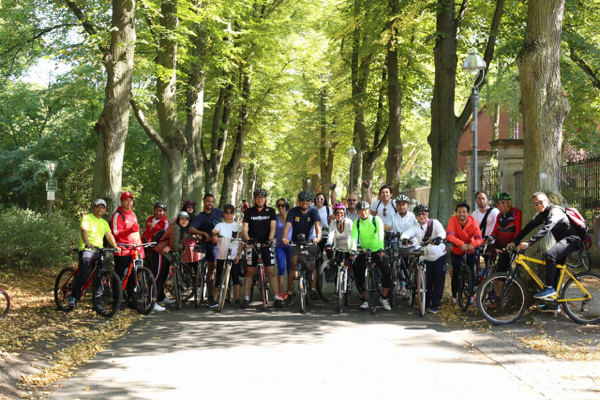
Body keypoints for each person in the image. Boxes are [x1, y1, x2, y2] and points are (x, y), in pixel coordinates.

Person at [508, 192, 583, 312]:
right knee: (556, 268)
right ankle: (553, 303)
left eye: (540, 202)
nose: (538, 205)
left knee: (550, 254)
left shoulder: (555, 212)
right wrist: (515, 241)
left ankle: (549, 288)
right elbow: (528, 227)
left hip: (572, 240)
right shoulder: (541, 214)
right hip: (563, 241)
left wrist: (529, 243)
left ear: (547, 201)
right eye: (535, 204)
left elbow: (546, 228)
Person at [69, 199, 121, 308]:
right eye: (98, 206)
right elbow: (84, 230)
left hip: (99, 251)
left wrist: (115, 246)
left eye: (103, 207)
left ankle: (97, 302)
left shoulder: (104, 222)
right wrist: (87, 242)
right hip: (87, 250)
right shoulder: (87, 218)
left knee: (100, 276)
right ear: (94, 207)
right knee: (84, 275)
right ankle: (73, 297)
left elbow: (109, 235)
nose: (100, 209)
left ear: (105, 209)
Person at [241, 188, 283, 309]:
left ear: (265, 198)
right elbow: (244, 228)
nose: (260, 199)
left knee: (271, 271)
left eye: (263, 197)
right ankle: (246, 298)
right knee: (249, 271)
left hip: (266, 244)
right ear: (254, 198)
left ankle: (276, 298)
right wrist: (248, 239)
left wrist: (270, 240)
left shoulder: (270, 211)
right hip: (252, 244)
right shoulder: (249, 212)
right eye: (258, 197)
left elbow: (273, 227)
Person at [400, 204, 446, 313]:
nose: (421, 216)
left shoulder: (434, 223)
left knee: (438, 279)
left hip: (439, 255)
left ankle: (435, 303)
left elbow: (442, 232)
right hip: (426, 256)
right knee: (427, 281)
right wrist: (404, 239)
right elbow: (406, 233)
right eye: (418, 215)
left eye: (423, 214)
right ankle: (426, 302)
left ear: (427, 214)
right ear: (416, 216)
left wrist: (439, 238)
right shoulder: (416, 227)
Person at [281, 191, 322, 303]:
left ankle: (313, 289)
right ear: (299, 200)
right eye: (302, 200)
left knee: (311, 266)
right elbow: (287, 225)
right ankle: (290, 292)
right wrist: (285, 238)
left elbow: (317, 225)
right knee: (293, 265)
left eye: (307, 200)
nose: (305, 202)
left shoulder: (313, 211)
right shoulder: (293, 211)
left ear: (310, 202)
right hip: (296, 242)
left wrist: (318, 236)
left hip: (309, 241)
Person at [351, 201, 392, 311]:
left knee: (387, 273)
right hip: (364, 250)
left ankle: (384, 298)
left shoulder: (375, 219)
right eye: (360, 211)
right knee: (359, 274)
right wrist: (353, 250)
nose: (363, 213)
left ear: (369, 210)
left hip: (377, 249)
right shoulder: (357, 222)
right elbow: (354, 237)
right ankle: (365, 299)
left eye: (365, 210)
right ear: (358, 212)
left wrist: (381, 248)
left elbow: (380, 234)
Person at [484, 192, 522, 305]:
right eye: (498, 204)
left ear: (509, 202)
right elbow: (495, 231)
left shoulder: (516, 213)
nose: (501, 205)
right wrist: (489, 238)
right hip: (498, 246)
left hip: (508, 248)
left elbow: (518, 231)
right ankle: (497, 297)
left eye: (503, 202)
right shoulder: (499, 215)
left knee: (501, 271)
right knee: (493, 272)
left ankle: (500, 298)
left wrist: (513, 243)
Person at [111, 191, 144, 308]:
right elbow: (115, 233)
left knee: (133, 276)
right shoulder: (118, 215)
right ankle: (117, 300)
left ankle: (131, 300)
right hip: (122, 250)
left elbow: (137, 233)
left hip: (133, 250)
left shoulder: (133, 215)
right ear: (122, 201)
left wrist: (140, 248)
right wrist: (130, 230)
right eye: (126, 200)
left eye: (131, 200)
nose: (129, 202)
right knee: (121, 275)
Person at [446, 203, 483, 306]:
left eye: (464, 212)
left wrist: (473, 244)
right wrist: (460, 244)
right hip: (457, 250)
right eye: (459, 212)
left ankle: (471, 295)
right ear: (456, 213)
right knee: (456, 273)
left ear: (468, 213)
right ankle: (454, 296)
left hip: (470, 250)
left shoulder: (473, 222)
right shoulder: (452, 220)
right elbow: (450, 236)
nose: (461, 214)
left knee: (472, 272)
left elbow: (479, 238)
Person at [188, 194, 223, 306]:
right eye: (208, 201)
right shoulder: (200, 217)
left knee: (222, 269)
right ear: (204, 202)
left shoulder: (218, 212)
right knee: (211, 269)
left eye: (212, 202)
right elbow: (191, 228)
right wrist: (202, 233)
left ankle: (222, 289)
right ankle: (211, 295)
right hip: (210, 246)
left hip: (222, 243)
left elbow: (229, 215)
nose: (210, 204)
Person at [154, 211, 191, 311]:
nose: (184, 221)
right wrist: (182, 246)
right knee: (158, 277)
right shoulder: (176, 228)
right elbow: (175, 245)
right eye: (182, 219)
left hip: (167, 255)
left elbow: (173, 245)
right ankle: (152, 302)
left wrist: (172, 247)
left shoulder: (181, 229)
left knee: (163, 277)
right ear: (178, 219)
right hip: (161, 253)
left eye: (186, 220)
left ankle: (160, 298)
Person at [211, 204, 244, 308]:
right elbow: (214, 240)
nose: (229, 214)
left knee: (235, 276)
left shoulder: (238, 227)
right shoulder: (220, 225)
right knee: (219, 277)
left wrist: (238, 255)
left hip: (233, 255)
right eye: (226, 212)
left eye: (231, 212)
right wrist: (214, 234)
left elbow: (240, 242)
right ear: (223, 214)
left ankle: (237, 299)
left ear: (233, 214)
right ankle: (215, 300)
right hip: (221, 255)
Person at [388, 195, 418, 296]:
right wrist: (387, 229)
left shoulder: (413, 216)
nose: (402, 207)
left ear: (408, 206)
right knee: (398, 264)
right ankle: (402, 285)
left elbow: (418, 226)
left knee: (414, 264)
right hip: (398, 245)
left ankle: (416, 283)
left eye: (404, 205)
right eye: (399, 205)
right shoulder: (392, 217)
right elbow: (387, 225)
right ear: (396, 206)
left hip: (412, 244)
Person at [142, 201, 170, 270]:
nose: (158, 212)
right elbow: (146, 231)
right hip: (145, 245)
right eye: (156, 210)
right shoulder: (150, 219)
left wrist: (155, 226)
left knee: (153, 266)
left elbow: (165, 233)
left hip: (155, 247)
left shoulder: (165, 222)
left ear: (164, 212)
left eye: (160, 211)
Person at [275, 198, 292, 300]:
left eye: (283, 205)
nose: (281, 207)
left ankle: (289, 291)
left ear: (287, 206)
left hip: (290, 246)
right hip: (279, 246)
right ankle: (280, 292)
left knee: (290, 269)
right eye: (279, 205)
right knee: (281, 268)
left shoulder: (291, 217)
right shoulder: (275, 217)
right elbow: (272, 229)